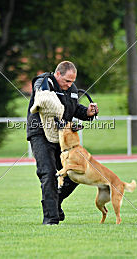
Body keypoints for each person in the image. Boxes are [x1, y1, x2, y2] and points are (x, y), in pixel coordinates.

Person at [26, 61, 99, 225]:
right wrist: (43, 91)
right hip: (41, 134)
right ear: (57, 74)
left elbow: (73, 109)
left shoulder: (71, 89)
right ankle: (51, 219)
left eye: (72, 81)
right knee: (48, 173)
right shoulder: (45, 82)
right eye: (67, 81)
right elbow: (40, 91)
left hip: (62, 136)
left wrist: (87, 112)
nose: (70, 85)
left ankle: (55, 203)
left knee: (75, 172)